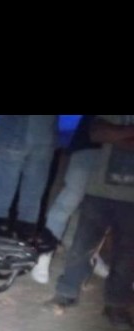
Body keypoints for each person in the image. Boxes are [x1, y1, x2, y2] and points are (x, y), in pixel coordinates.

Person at [48, 115, 134, 330]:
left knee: (127, 254)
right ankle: (67, 292)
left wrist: (117, 134)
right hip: (99, 189)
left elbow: (107, 134)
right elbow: (96, 133)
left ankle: (116, 305)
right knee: (82, 244)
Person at [31, 115, 108, 284]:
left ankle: (91, 255)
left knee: (99, 208)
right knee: (69, 199)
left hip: (118, 153)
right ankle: (43, 254)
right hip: (90, 145)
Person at [0, 115, 58, 240]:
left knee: (2, 196)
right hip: (44, 136)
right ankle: (24, 237)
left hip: (14, 133)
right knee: (32, 197)